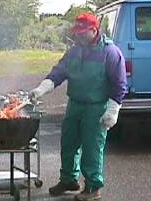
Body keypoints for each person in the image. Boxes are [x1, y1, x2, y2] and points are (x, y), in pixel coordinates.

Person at [29, 12, 127, 201]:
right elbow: (59, 71)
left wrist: (112, 111)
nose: (79, 36)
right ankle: (68, 180)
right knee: (68, 144)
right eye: (77, 32)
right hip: (75, 104)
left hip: (96, 107)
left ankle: (93, 187)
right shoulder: (74, 50)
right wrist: (42, 88)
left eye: (82, 32)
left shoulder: (110, 52)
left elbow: (119, 84)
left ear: (94, 30)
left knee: (92, 148)